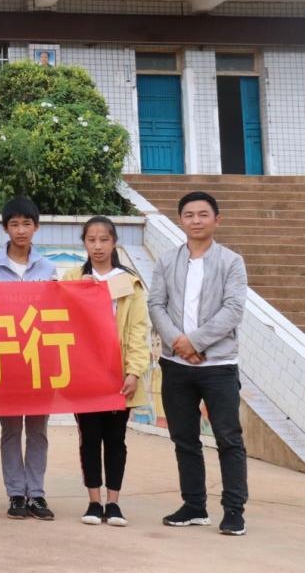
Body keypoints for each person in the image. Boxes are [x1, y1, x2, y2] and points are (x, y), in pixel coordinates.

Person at [148, 191, 249, 537]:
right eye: (189, 215)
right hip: (176, 364)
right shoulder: (167, 261)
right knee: (184, 438)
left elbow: (233, 309)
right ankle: (194, 506)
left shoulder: (231, 262)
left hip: (218, 365)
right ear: (181, 220)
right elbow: (156, 305)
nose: (196, 220)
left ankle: (234, 510)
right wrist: (179, 343)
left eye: (203, 214)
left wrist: (196, 342)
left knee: (228, 438)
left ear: (217, 220)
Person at [63, 216, 150, 528]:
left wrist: (134, 372)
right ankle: (93, 501)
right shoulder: (73, 278)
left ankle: (113, 503)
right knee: (89, 438)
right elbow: (59, 319)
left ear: (114, 243)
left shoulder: (129, 283)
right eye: (91, 240)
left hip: (118, 374)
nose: (97, 246)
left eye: (104, 240)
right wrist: (78, 292)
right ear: (84, 243)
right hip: (86, 373)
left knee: (115, 439)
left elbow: (138, 330)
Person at [0, 197, 59, 521]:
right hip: (5, 361)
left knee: (37, 430)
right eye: (14, 224)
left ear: (36, 227)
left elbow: (58, 312)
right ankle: (16, 494)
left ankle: (37, 494)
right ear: (5, 228)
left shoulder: (48, 269)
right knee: (10, 430)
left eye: (26, 224)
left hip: (39, 361)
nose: (21, 230)